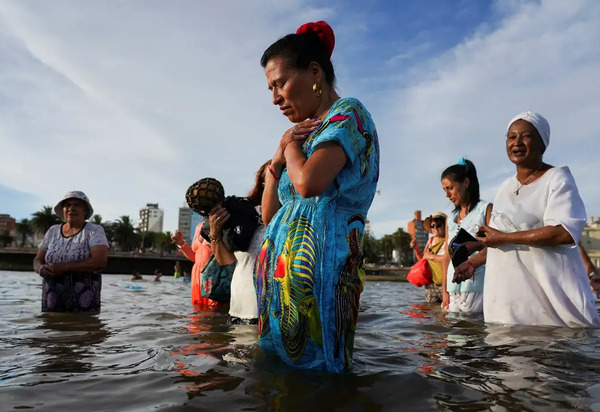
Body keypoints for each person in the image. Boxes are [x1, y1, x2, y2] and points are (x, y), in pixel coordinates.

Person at [255, 21, 380, 372]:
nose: (275, 97)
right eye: (270, 89)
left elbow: (310, 183)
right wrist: (276, 164)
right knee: (279, 383)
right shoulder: (306, 136)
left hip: (321, 280)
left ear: (314, 72)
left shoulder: (348, 114)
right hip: (281, 281)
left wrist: (289, 145)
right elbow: (269, 217)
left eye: (280, 83)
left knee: (322, 378)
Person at [478, 111, 600, 327]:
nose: (516, 142)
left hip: (549, 304)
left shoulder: (557, 178)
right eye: (511, 136)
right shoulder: (505, 187)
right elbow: (497, 240)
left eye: (526, 136)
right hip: (508, 305)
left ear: (542, 143)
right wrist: (470, 262)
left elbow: (564, 232)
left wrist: (504, 237)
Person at [33, 191, 109, 312]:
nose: (71, 208)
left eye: (77, 205)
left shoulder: (94, 231)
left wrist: (64, 267)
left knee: (81, 328)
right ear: (63, 210)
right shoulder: (53, 231)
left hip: (84, 301)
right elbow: (37, 260)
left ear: (85, 210)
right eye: (67, 205)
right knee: (51, 328)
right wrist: (40, 269)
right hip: (52, 299)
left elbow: (99, 261)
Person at [440, 158, 492, 314]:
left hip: (477, 284)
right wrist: (444, 291)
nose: (447, 195)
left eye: (450, 188)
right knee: (454, 334)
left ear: (466, 182)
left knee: (473, 331)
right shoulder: (450, 218)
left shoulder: (485, 209)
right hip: (452, 286)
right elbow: (447, 257)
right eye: (444, 190)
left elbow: (495, 245)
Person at [172, 223, 220, 306]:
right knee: (198, 311)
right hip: (197, 276)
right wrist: (181, 244)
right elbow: (196, 257)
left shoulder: (222, 219)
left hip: (214, 274)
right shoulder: (198, 226)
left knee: (215, 310)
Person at [410, 212, 447, 304]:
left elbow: (450, 259)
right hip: (430, 285)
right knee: (431, 312)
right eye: (432, 225)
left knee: (445, 313)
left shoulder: (449, 240)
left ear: (446, 226)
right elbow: (423, 262)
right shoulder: (430, 241)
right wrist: (416, 248)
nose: (435, 228)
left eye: (438, 225)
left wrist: (432, 256)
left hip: (445, 283)